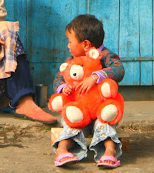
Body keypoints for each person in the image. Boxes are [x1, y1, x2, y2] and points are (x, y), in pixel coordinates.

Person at [52, 14, 125, 168]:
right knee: (71, 124)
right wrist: (63, 88)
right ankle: (62, 150)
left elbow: (118, 69)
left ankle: (109, 152)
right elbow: (58, 79)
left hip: (100, 111)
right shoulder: (72, 61)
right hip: (79, 111)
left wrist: (95, 77)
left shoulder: (105, 56)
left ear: (85, 44)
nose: (67, 45)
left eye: (70, 41)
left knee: (104, 124)